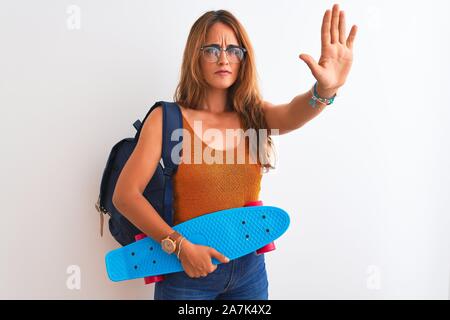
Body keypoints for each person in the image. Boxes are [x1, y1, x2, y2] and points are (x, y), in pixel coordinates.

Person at [112, 4, 357, 300]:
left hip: (249, 272)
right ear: (195, 57)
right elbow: (125, 196)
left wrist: (325, 90)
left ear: (244, 59)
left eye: (234, 50)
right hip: (187, 270)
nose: (224, 58)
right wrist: (181, 247)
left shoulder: (254, 115)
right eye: (212, 49)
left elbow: (294, 112)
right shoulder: (166, 119)